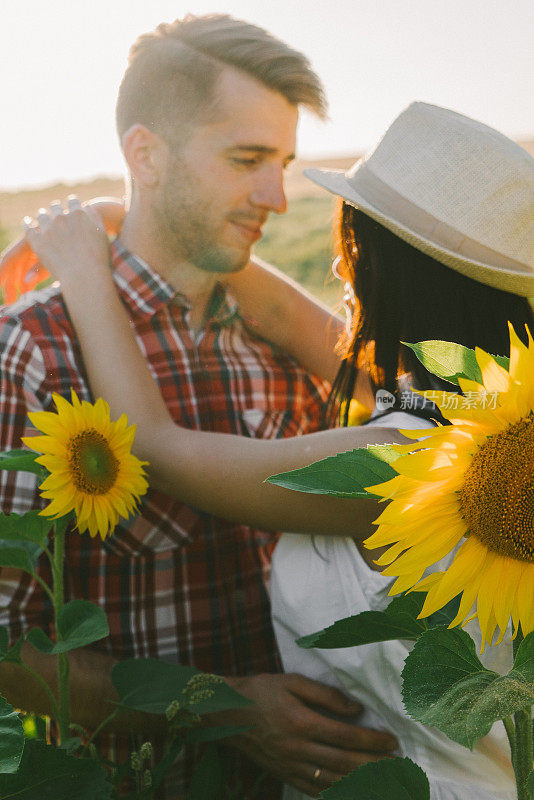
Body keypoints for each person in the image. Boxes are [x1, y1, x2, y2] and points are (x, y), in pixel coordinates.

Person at [22, 102, 534, 800]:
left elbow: (158, 446)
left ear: (391, 273)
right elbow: (303, 324)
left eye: (355, 247)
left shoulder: (399, 466)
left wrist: (83, 271)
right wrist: (168, 225)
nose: (340, 266)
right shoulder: (495, 426)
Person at [0, 14, 399, 800]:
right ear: (144, 155)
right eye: (247, 159)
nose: (277, 197)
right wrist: (224, 710)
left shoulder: (289, 341)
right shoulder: (35, 351)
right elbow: (8, 649)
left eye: (281, 163)